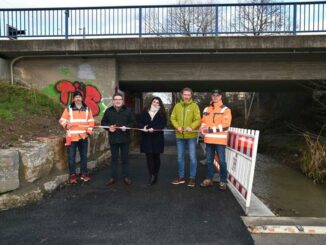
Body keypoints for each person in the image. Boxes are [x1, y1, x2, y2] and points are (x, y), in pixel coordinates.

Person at [59, 90, 94, 184]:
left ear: (82, 98)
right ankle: (72, 175)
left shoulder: (87, 109)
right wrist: (66, 125)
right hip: (71, 137)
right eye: (76, 97)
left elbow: (91, 122)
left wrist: (88, 132)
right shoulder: (68, 108)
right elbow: (62, 120)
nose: (78, 98)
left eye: (79, 97)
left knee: (84, 157)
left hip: (83, 137)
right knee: (71, 157)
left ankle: (84, 174)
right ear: (73, 99)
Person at [199, 89, 232, 190]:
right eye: (213, 95)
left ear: (220, 97)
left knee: (222, 161)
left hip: (220, 141)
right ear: (211, 97)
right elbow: (203, 121)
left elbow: (226, 126)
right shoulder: (206, 109)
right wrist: (203, 127)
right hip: (209, 140)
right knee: (209, 161)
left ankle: (223, 181)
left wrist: (209, 130)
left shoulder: (225, 109)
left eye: (217, 95)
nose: (215, 97)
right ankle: (209, 179)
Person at [101, 93, 135, 186]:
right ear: (113, 101)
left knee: (125, 159)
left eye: (119, 99)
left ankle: (126, 177)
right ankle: (113, 177)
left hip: (125, 139)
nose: (118, 101)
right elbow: (103, 122)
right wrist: (109, 127)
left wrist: (127, 127)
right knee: (114, 159)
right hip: (113, 139)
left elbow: (133, 122)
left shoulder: (128, 110)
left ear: (122, 101)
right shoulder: (108, 111)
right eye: (116, 99)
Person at [170, 87, 201, 187]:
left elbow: (198, 119)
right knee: (180, 158)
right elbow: (172, 118)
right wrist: (177, 126)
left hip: (191, 136)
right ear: (182, 95)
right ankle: (181, 177)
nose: (186, 96)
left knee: (192, 158)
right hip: (179, 136)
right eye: (185, 94)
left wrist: (191, 127)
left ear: (191, 95)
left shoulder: (194, 106)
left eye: (188, 95)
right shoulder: (177, 106)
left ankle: (192, 178)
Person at [139, 97, 167, 186]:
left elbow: (163, 124)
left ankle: (156, 173)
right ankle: (152, 175)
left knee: (156, 157)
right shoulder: (144, 111)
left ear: (159, 104)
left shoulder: (162, 113)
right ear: (151, 102)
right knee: (149, 157)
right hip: (146, 137)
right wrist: (143, 127)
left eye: (157, 102)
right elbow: (139, 122)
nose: (155, 103)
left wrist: (154, 129)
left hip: (157, 138)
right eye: (154, 101)